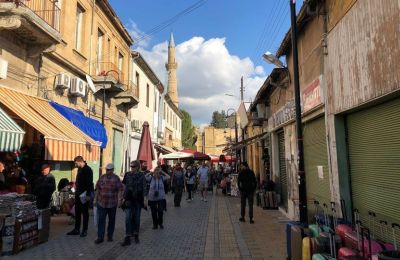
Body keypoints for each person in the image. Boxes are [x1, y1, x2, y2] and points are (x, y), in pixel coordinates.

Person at [94, 163, 123, 244]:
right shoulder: (102, 177)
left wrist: (120, 199)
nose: (108, 171)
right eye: (107, 170)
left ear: (113, 170)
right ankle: (100, 237)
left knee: (111, 221)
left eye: (110, 170)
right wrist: (95, 200)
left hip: (112, 203)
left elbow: (120, 189)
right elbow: (97, 189)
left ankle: (110, 236)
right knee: (101, 221)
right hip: (102, 203)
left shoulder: (116, 178)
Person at [121, 160, 147, 246]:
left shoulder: (141, 175)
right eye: (131, 166)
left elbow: (144, 187)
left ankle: (136, 234)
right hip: (128, 199)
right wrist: (122, 198)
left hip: (138, 200)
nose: (132, 168)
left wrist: (145, 199)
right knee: (128, 218)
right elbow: (124, 186)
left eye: (134, 166)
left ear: (138, 167)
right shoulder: (127, 174)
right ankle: (127, 236)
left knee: (137, 218)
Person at [67, 156, 93, 237]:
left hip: (85, 194)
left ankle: (84, 230)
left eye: (75, 163)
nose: (75, 164)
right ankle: (76, 229)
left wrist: (88, 195)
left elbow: (89, 183)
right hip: (78, 194)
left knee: (85, 212)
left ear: (80, 161)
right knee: (77, 212)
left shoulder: (88, 169)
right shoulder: (80, 169)